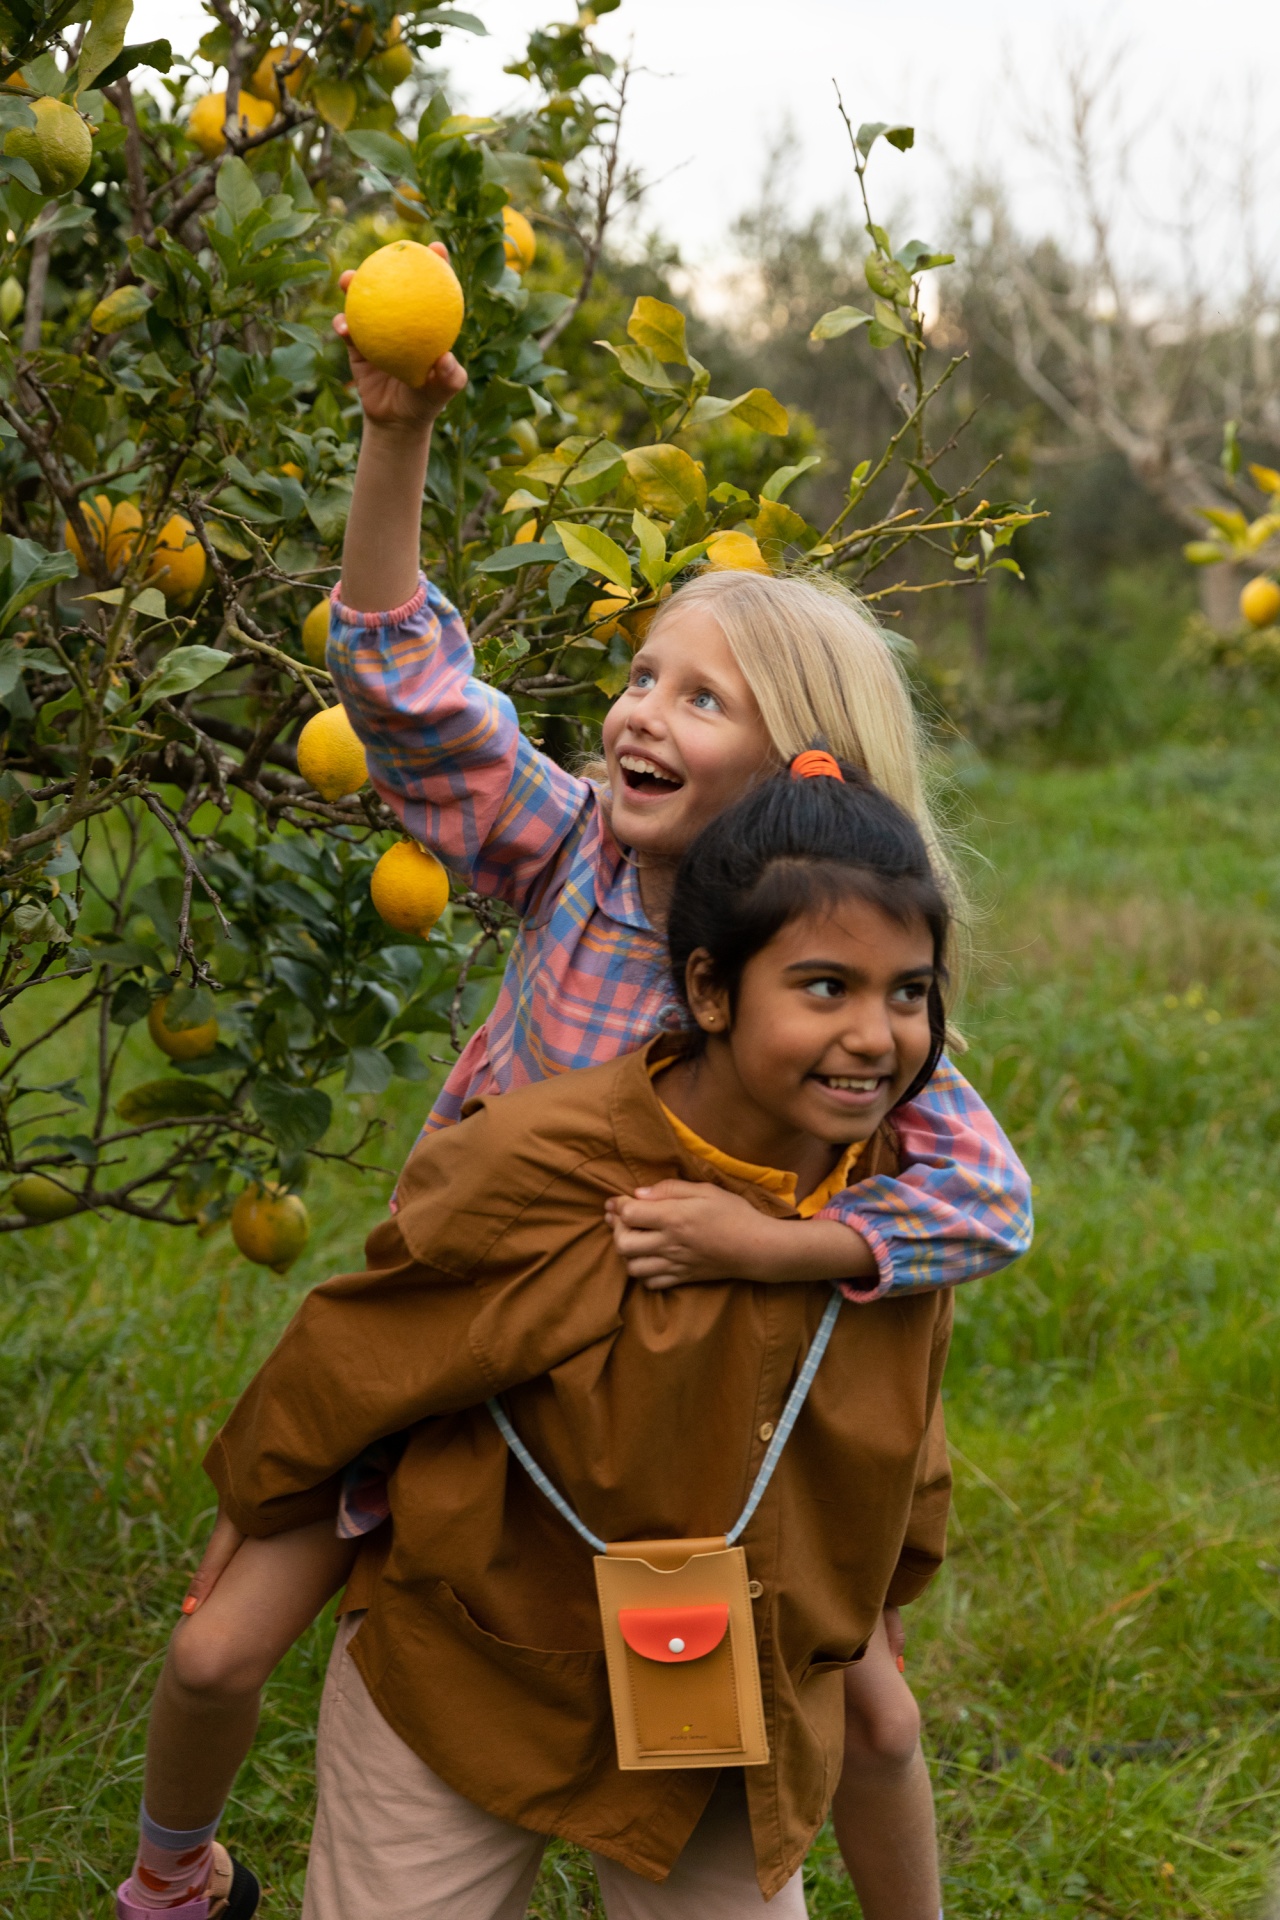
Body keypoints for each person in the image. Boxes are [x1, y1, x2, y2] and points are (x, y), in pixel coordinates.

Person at [113, 249, 1031, 1919]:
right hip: (467, 1331)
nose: (639, 714)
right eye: (639, 678)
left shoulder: (848, 1010)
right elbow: (401, 684)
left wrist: (780, 1250)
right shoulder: (578, 857)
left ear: (804, 761)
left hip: (696, 1386)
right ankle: (176, 1877)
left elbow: (985, 1193)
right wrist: (394, 434)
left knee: (867, 1703)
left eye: (699, 695)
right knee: (225, 1634)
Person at [202, 760, 964, 1919]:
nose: (873, 1036)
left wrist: (876, 1601)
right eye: (822, 988)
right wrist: (259, 1513)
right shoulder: (542, 1162)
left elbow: (897, 1441)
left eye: (907, 993)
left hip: (717, 1701)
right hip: (480, 1660)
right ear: (709, 990)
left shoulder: (888, 1214)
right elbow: (356, 1353)